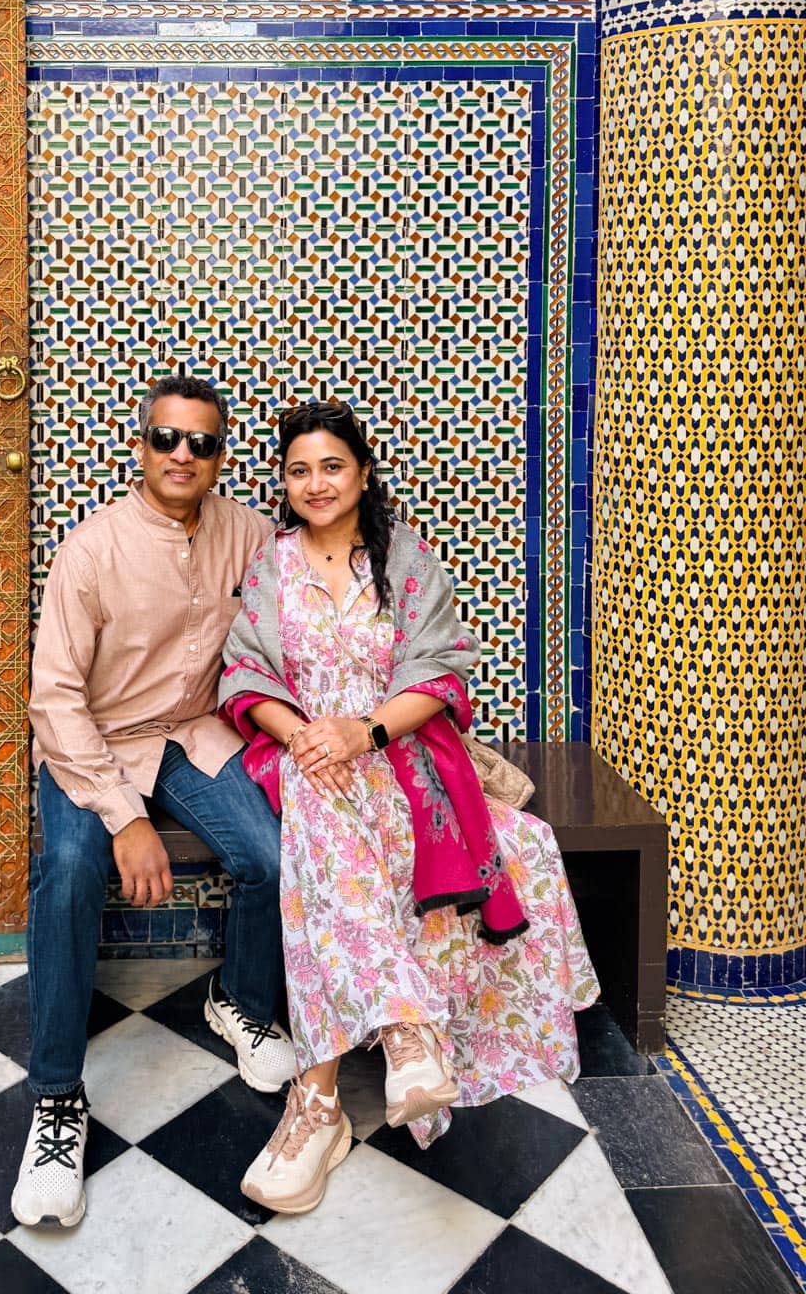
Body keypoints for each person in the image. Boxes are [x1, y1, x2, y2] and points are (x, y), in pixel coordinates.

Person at [219, 400, 599, 1215]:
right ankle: (407, 1033)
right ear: (282, 484)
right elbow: (245, 677)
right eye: (298, 470)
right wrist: (311, 739)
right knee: (318, 804)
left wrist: (363, 731)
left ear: (360, 473)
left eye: (331, 466)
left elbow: (440, 670)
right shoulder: (269, 566)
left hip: (402, 755)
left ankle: (315, 1106)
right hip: (306, 751)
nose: (315, 483)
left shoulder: (405, 558)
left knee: (328, 834)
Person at [12, 374, 297, 1229]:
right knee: (67, 870)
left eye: (202, 444)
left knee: (274, 856)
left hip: (194, 734)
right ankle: (58, 1101)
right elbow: (55, 698)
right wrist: (125, 818)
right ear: (140, 448)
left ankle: (239, 1003)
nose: (183, 456)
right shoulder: (92, 550)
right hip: (93, 746)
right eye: (167, 440)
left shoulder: (247, 533)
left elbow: (324, 563)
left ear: (220, 457)